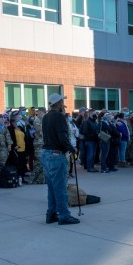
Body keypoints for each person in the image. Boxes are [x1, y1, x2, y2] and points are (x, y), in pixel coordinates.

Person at [41, 93, 80, 225]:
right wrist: (72, 148)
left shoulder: (46, 117)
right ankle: (64, 215)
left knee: (52, 187)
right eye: (62, 102)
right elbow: (62, 137)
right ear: (57, 104)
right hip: (56, 154)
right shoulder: (59, 116)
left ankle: (51, 214)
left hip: (46, 153)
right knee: (60, 187)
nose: (63, 105)